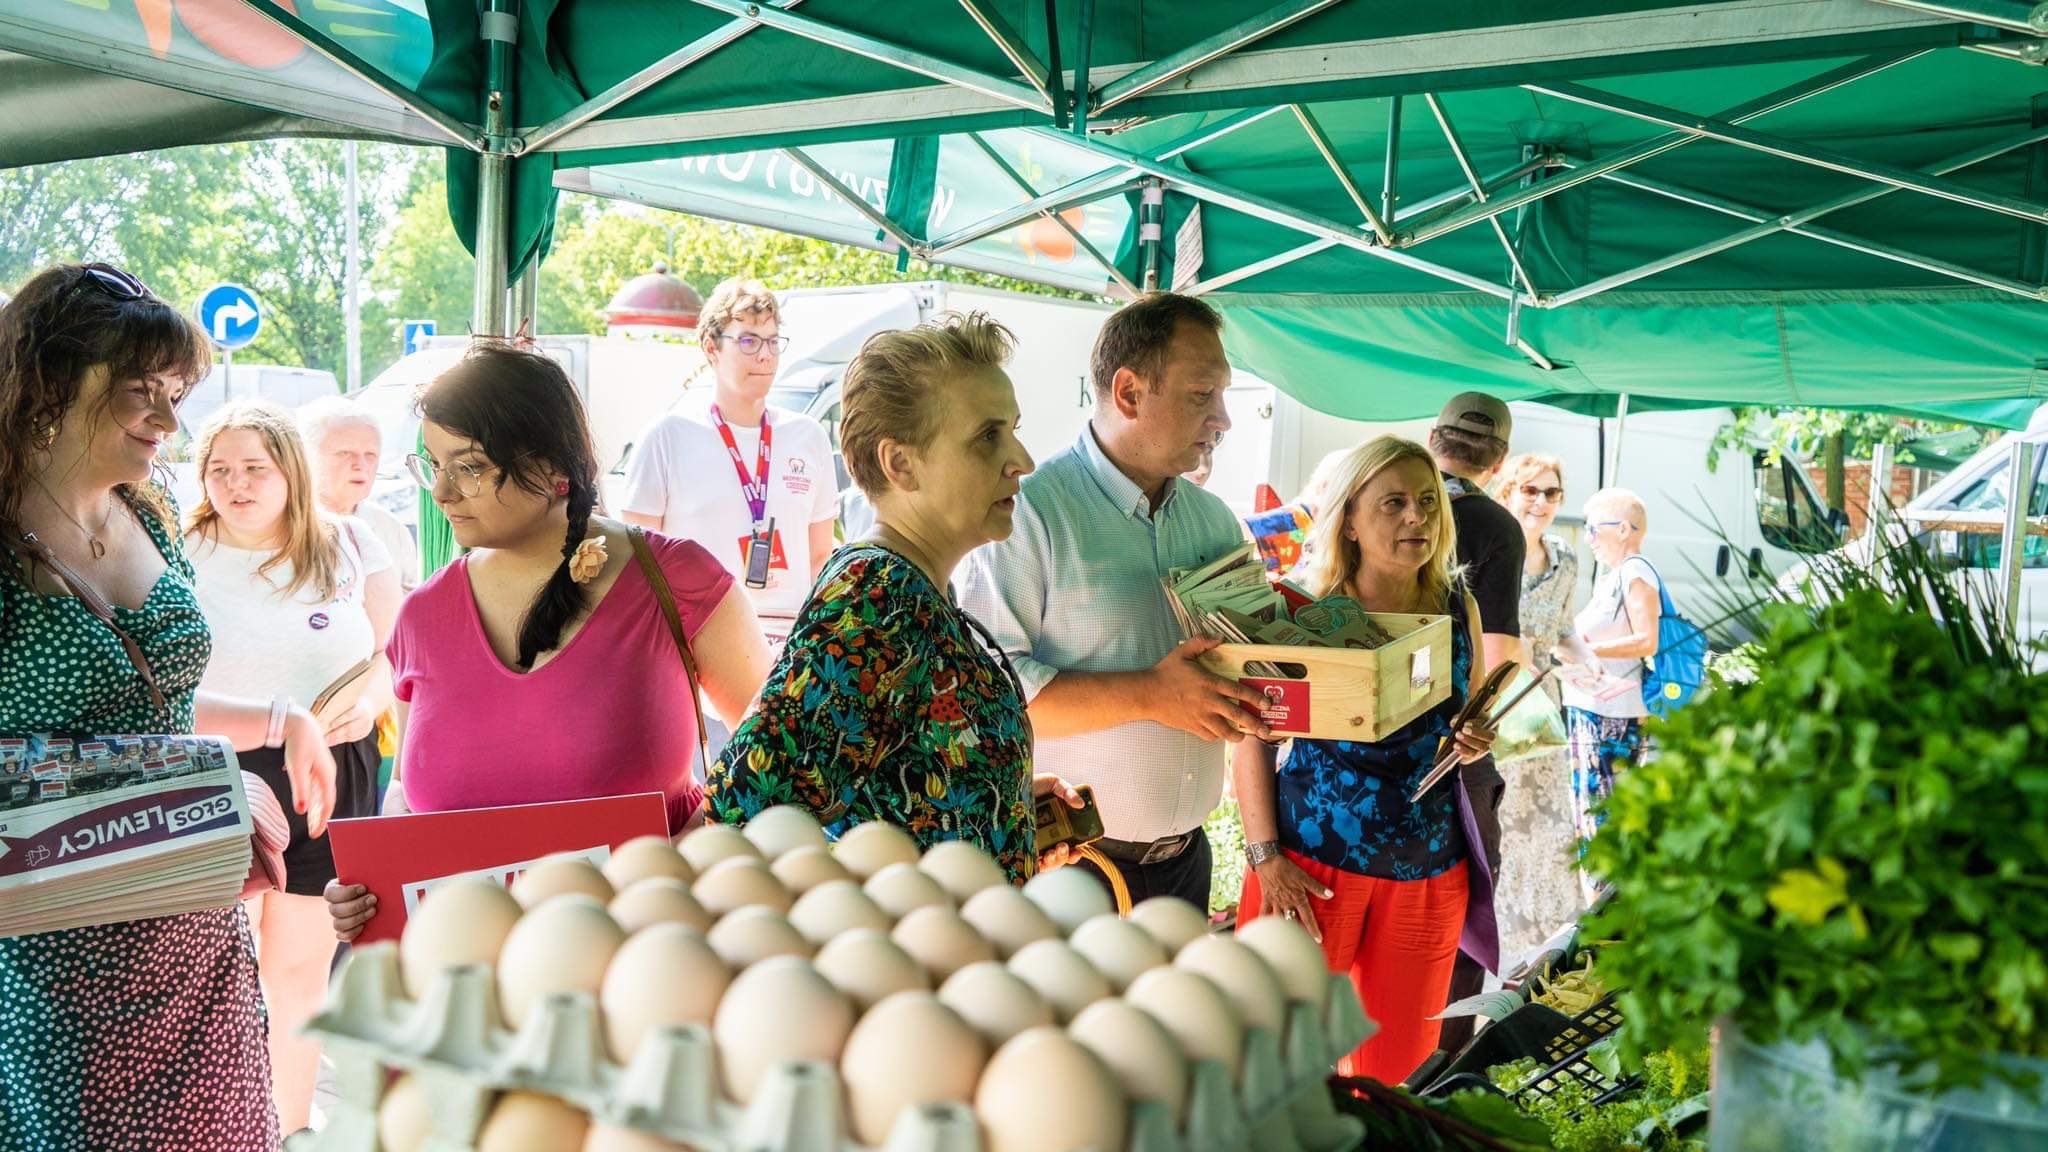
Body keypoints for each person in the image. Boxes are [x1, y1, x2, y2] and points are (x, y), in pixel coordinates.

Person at [0, 262, 335, 1151]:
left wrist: (278, 721)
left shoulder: (148, 512)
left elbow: (154, 695)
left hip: (198, 929)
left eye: (175, 391)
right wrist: (204, 786)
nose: (168, 419)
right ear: (52, 381)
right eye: (140, 390)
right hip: (60, 957)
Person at [323, 342, 772, 942]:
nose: (442, 493)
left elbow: (776, 759)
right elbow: (406, 793)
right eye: (432, 465)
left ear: (550, 464)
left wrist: (696, 849)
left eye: (469, 467)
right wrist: (370, 884)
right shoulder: (423, 616)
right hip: (467, 969)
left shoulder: (677, 580)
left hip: (649, 950)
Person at [709, 313, 1080, 882]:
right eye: (988, 436)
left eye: (1013, 429)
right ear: (900, 464)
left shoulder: (912, 591)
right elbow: (745, 811)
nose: (1022, 461)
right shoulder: (875, 598)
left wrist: (998, 803)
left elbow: (892, 788)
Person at [963, 292, 1269, 910]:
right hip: (1068, 865)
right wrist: (1154, 694)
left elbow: (1253, 665)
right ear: (1129, 393)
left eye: (1222, 395)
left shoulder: (1215, 521)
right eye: (1202, 394)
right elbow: (992, 699)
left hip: (1188, 861)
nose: (1223, 419)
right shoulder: (1028, 514)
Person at [1233, 436, 1497, 1083]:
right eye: (1394, 502)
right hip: (1310, 872)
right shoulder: (1305, 610)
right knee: (1274, 1067)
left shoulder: (1457, 605)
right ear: (1349, 519)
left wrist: (1474, 737)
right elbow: (1252, 738)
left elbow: (1467, 716)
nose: (1416, 517)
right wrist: (1266, 859)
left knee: (1397, 1077)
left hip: (1427, 873)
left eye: (1428, 502)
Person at [184, 400, 398, 1135]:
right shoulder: (177, 551)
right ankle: (228, 1131)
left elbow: (390, 656)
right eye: (219, 470)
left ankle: (290, 1130)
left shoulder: (351, 542)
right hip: (218, 775)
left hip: (331, 773)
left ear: (291, 472)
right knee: (223, 973)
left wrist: (368, 704)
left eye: (255, 468)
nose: (236, 485)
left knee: (301, 975)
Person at [620, 277, 840, 645]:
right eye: (749, 341)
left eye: (772, 341)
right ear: (711, 348)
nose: (765, 355)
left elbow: (820, 556)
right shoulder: (667, 436)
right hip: (699, 639)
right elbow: (637, 563)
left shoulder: (808, 436)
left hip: (791, 642)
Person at [1427, 390, 1520, 1055]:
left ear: (1432, 439)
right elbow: (1500, 654)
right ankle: (1442, 1066)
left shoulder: (1370, 499)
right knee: (1463, 913)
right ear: (1500, 459)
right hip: (1452, 748)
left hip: (1352, 754)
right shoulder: (1494, 525)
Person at [1488, 453, 1584, 966]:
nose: (1541, 502)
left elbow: (1564, 630)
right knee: (1504, 823)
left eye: (1551, 493)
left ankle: (1545, 946)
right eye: (1530, 490)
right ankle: (1501, 945)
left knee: (1549, 827)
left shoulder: (1565, 558)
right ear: (1507, 492)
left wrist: (1589, 663)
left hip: (1544, 707)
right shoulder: (1492, 550)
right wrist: (1515, 650)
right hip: (1499, 701)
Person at [1554, 487, 1661, 882]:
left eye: (1594, 529)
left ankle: (1607, 906)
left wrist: (1588, 651)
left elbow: (1647, 640)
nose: (1588, 539)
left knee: (1603, 817)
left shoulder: (1635, 571)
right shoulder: (1615, 575)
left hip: (1613, 715)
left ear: (1624, 530)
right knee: (1592, 814)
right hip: (1596, 709)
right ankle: (1602, 900)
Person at [299, 394, 419, 592]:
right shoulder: (278, 527)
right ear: (307, 457)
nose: (360, 465)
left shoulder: (391, 531)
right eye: (344, 453)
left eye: (370, 454)